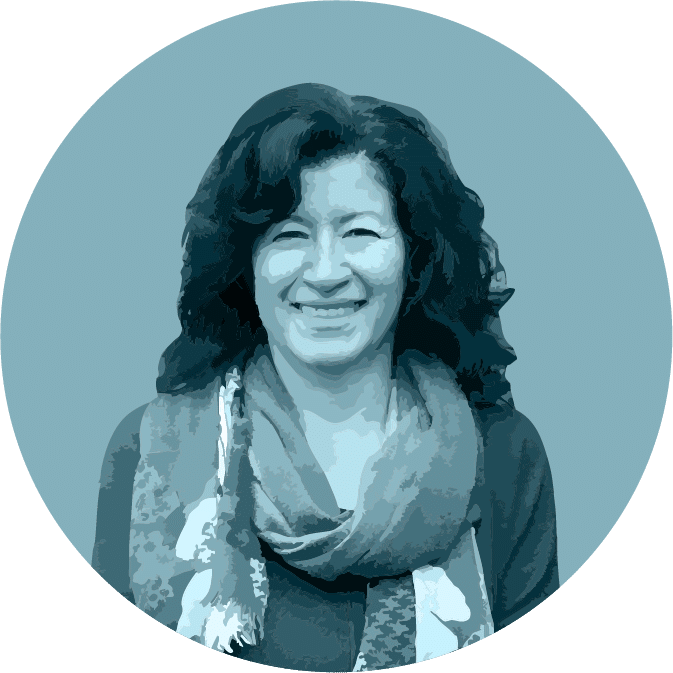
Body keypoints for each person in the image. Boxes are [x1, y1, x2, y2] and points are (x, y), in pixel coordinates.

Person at [93, 83, 559, 672]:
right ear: (246, 266)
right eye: (289, 235)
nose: (326, 271)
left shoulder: (505, 456)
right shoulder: (146, 452)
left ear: (415, 257)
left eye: (359, 232)